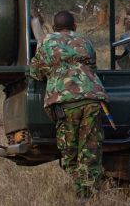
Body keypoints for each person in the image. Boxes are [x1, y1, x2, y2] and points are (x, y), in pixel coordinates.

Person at [28, 11, 109, 198]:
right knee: (90, 150)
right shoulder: (85, 41)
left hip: (64, 104)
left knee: (69, 152)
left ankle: (82, 191)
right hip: (92, 98)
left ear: (54, 27)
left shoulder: (46, 42)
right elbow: (93, 67)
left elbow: (36, 73)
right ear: (74, 26)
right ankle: (87, 192)